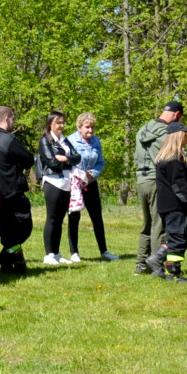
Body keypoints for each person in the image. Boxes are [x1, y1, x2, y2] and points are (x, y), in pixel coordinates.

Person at [146, 121, 187, 283]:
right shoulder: (173, 160)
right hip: (174, 205)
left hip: (170, 204)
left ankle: (157, 258)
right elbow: (179, 186)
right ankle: (173, 274)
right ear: (178, 137)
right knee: (179, 237)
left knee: (184, 235)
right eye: (185, 135)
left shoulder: (170, 158)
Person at [0, 106, 36, 273]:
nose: (14, 122)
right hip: (11, 192)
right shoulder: (8, 140)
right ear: (7, 119)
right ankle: (6, 257)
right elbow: (28, 159)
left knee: (7, 232)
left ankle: (10, 262)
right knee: (23, 227)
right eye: (13, 119)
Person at [133, 101, 183, 274]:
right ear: (177, 115)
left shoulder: (142, 129)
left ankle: (141, 264)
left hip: (141, 180)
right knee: (159, 224)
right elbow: (174, 154)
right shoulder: (166, 133)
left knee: (147, 223)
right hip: (156, 181)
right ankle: (157, 266)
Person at [67, 112, 118, 262]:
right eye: (87, 127)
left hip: (90, 183)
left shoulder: (96, 141)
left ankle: (104, 251)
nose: (90, 131)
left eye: (92, 128)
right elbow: (66, 162)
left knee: (97, 218)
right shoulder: (70, 141)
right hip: (75, 184)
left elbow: (100, 162)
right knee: (74, 217)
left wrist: (92, 173)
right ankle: (74, 252)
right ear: (79, 127)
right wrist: (79, 174)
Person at [38, 111, 81, 265]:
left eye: (63, 122)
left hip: (66, 182)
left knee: (60, 218)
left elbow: (78, 157)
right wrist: (69, 161)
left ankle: (56, 253)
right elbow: (52, 162)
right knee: (52, 218)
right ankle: (48, 254)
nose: (62, 126)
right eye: (58, 123)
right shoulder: (45, 140)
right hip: (52, 181)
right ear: (51, 124)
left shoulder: (64, 140)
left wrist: (66, 159)